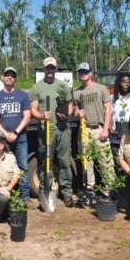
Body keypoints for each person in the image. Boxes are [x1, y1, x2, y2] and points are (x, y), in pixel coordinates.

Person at [29, 57, 75, 208]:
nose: (50, 70)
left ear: (56, 69)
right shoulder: (37, 88)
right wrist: (42, 116)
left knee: (64, 160)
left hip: (63, 129)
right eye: (48, 68)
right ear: (44, 69)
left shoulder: (63, 86)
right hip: (47, 130)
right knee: (45, 160)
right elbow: (33, 109)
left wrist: (67, 114)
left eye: (52, 68)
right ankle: (45, 188)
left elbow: (70, 104)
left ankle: (67, 193)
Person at [0, 67, 34, 208]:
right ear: (3, 77)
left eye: (12, 76)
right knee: (4, 168)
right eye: (7, 75)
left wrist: (15, 132)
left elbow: (27, 116)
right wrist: (5, 133)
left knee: (23, 167)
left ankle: (25, 196)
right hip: (3, 140)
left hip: (20, 138)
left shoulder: (23, 96)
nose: (9, 77)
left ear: (15, 79)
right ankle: (7, 195)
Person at [73, 62, 116, 195]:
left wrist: (106, 129)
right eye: (81, 72)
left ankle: (110, 190)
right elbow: (75, 110)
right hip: (85, 130)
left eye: (85, 72)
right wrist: (76, 113)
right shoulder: (77, 92)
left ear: (91, 73)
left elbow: (108, 109)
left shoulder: (101, 88)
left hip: (99, 128)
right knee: (87, 162)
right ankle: (89, 190)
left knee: (105, 161)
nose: (83, 74)